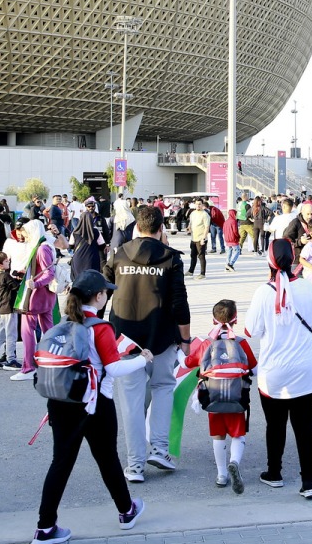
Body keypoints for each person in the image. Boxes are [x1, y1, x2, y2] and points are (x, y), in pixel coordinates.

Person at [30, 270, 149, 544]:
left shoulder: (63, 324)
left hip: (60, 401)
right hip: (94, 404)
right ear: (98, 297)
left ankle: (45, 526)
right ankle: (126, 511)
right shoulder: (100, 327)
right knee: (107, 458)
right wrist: (143, 359)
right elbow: (114, 368)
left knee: (60, 463)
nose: (106, 296)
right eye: (105, 292)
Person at [105, 205, 191, 480]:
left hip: (124, 339)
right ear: (161, 228)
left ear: (136, 227)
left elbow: (100, 290)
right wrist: (186, 339)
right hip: (163, 338)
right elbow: (180, 302)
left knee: (131, 401)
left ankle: (135, 465)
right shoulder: (170, 257)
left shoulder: (118, 255)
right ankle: (159, 450)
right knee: (164, 387)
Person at [245, 239, 312, 499]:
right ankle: (309, 482)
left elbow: (252, 331)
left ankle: (275, 473)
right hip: (307, 370)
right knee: (305, 425)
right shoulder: (307, 287)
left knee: (275, 425)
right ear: (293, 257)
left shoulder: (263, 292)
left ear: (268, 261)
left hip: (274, 372)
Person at [185, 299, 257, 493]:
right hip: (236, 397)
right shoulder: (241, 343)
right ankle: (234, 462)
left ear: (213, 319)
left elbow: (188, 363)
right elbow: (255, 369)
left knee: (218, 436)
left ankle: (221, 474)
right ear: (235, 319)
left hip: (213, 397)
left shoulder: (207, 343)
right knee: (238, 434)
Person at [10, 219, 58, 382]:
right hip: (46, 296)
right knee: (49, 330)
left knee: (27, 331)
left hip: (35, 296)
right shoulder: (46, 244)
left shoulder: (41, 248)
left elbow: (48, 273)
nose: (24, 235)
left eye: (26, 232)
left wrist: (35, 283)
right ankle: (53, 361)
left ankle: (28, 367)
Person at [187, 199, 210, 279]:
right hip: (193, 238)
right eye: (197, 204)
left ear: (202, 205)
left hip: (201, 238)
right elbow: (191, 223)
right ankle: (191, 271)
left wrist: (203, 238)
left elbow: (207, 227)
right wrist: (189, 228)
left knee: (201, 256)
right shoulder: (192, 213)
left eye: (200, 204)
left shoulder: (205, 214)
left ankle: (202, 274)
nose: (198, 206)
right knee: (193, 255)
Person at [223, 208, 241, 272]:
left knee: (229, 251)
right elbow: (235, 231)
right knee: (237, 251)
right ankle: (230, 264)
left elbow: (224, 230)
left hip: (227, 239)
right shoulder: (234, 221)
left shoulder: (226, 221)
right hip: (233, 239)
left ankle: (227, 265)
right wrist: (238, 236)